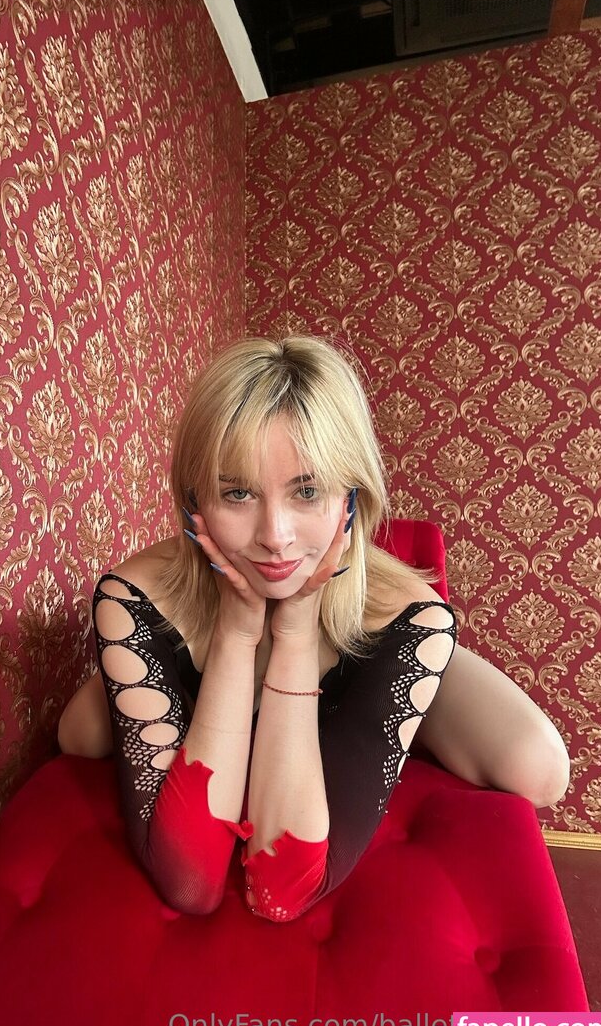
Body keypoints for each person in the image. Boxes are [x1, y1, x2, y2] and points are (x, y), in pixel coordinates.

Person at [58, 334, 570, 922]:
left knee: (539, 767)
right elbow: (190, 885)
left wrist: (298, 631)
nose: (275, 537)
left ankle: (397, 705)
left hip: (355, 630)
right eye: (238, 493)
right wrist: (237, 631)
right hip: (201, 619)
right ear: (194, 502)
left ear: (351, 496)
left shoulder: (405, 615)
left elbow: (284, 891)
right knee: (80, 735)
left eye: (307, 491)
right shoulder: (134, 594)